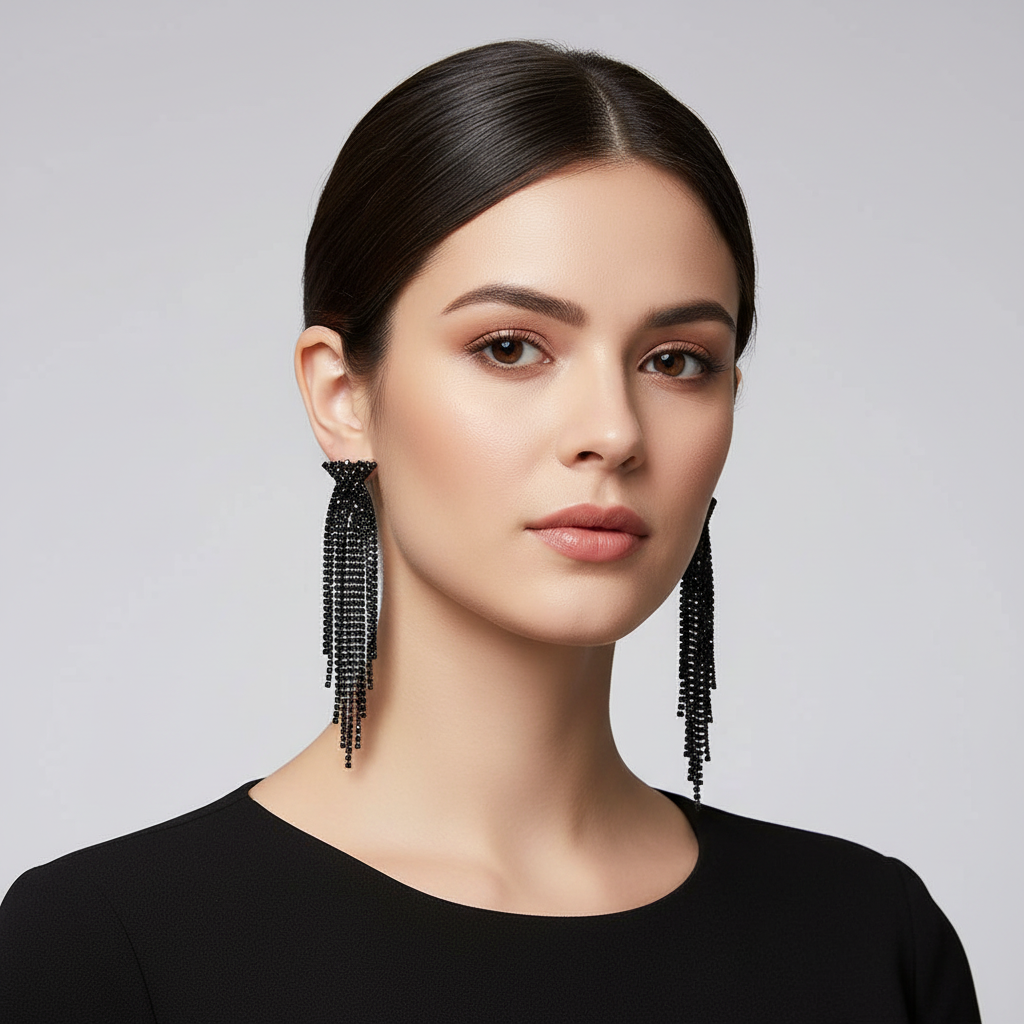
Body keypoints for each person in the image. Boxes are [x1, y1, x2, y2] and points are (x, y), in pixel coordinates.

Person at [0, 39, 981, 1022]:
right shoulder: (100, 950)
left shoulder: (869, 941)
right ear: (343, 394)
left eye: (677, 361)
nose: (611, 430)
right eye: (511, 347)